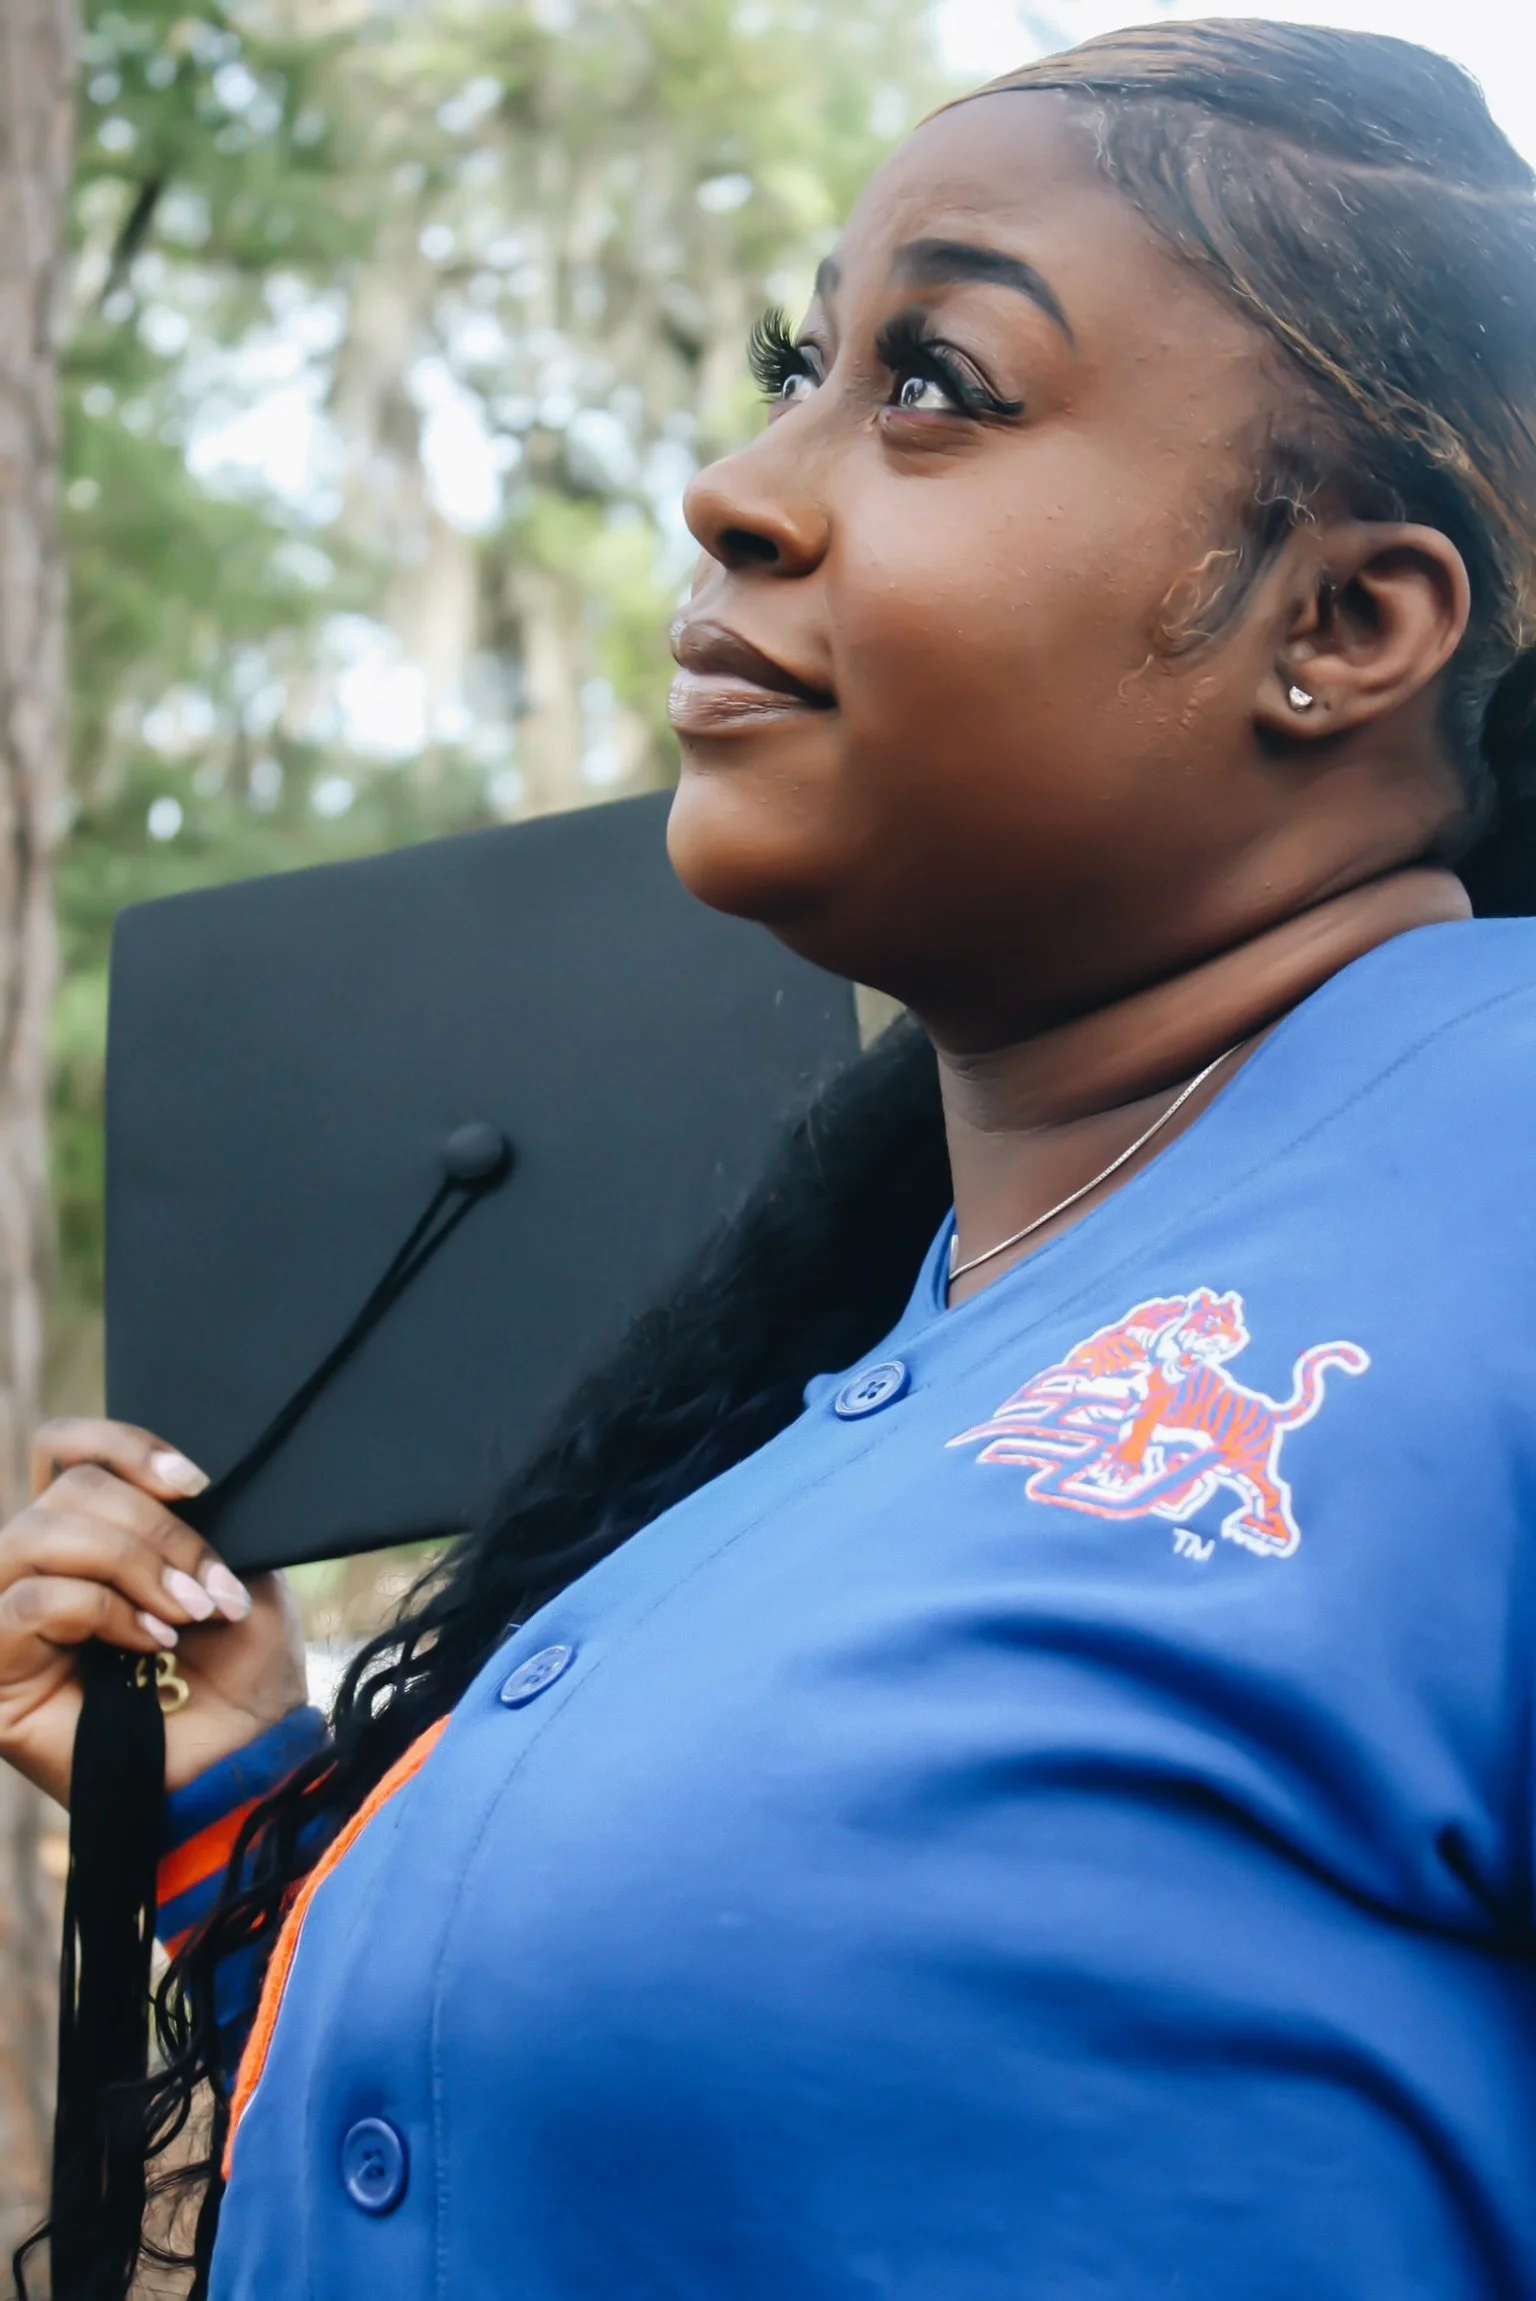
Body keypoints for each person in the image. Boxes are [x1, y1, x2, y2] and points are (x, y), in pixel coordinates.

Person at [6, 19, 1536, 2297]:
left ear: (1344, 621)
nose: (735, 485)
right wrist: (240, 1807)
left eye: (936, 383)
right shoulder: (862, 1362)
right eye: (794, 367)